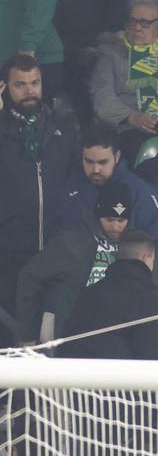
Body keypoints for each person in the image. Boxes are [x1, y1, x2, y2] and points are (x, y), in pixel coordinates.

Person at [0, 55, 79, 333]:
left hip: (56, 246)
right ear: (4, 87)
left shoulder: (65, 125)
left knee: (51, 333)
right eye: (20, 84)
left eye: (35, 82)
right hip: (9, 249)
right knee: (13, 332)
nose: (30, 90)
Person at [15, 181, 133, 345]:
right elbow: (30, 278)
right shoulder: (70, 242)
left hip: (114, 341)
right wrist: (28, 335)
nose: (115, 226)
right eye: (109, 219)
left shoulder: (137, 247)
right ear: (97, 215)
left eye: (121, 220)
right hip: (67, 338)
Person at [57, 122, 158, 264]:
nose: (95, 170)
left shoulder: (142, 194)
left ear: (117, 156)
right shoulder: (71, 189)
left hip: (128, 278)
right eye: (89, 161)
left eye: (102, 162)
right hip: (75, 277)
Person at [88, 0, 158, 154]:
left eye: (145, 23)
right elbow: (102, 98)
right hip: (126, 131)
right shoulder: (110, 54)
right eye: (133, 21)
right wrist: (133, 117)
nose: (137, 28)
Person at [60, 231, 158, 360]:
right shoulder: (148, 302)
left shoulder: (88, 293)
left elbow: (67, 344)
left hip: (75, 375)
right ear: (147, 257)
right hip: (119, 378)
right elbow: (154, 359)